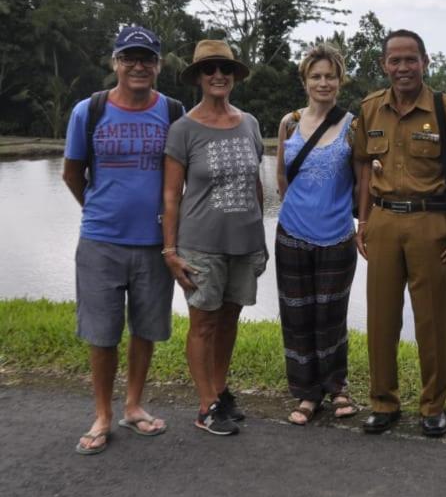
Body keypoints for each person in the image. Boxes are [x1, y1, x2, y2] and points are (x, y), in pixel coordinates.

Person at [62, 26, 182, 454]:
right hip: (100, 241)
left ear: (158, 65)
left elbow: (180, 176)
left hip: (155, 243)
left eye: (147, 58)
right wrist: (97, 209)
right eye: (129, 57)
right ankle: (102, 414)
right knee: (102, 333)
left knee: (145, 329)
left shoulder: (171, 111)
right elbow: (72, 173)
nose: (138, 65)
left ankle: (133, 405)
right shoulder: (89, 111)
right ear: (115, 62)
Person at [352, 29, 446, 437]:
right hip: (384, 221)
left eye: (411, 59)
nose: (403, 68)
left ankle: (432, 406)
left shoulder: (445, 109)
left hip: (431, 224)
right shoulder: (370, 109)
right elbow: (364, 166)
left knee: (432, 320)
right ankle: (383, 403)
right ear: (384, 65)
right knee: (381, 317)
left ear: (425, 62)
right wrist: (364, 220)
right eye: (395, 60)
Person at [162, 40, 266, 436]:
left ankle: (220, 390)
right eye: (210, 69)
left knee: (229, 318)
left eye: (225, 68)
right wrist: (170, 251)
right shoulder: (184, 129)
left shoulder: (250, 123)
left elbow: (255, 183)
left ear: (234, 75)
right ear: (199, 78)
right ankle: (205, 405)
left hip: (243, 242)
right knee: (203, 323)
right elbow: (171, 195)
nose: (218, 75)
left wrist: (260, 239)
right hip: (200, 243)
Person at [275, 43, 359, 425]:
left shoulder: (352, 126)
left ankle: (337, 387)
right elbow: (282, 177)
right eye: (316, 76)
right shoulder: (289, 123)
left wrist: (364, 224)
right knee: (297, 316)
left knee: (330, 315)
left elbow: (365, 181)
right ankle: (307, 394)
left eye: (330, 76)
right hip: (291, 233)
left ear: (340, 81)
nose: (323, 83)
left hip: (338, 235)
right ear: (305, 80)